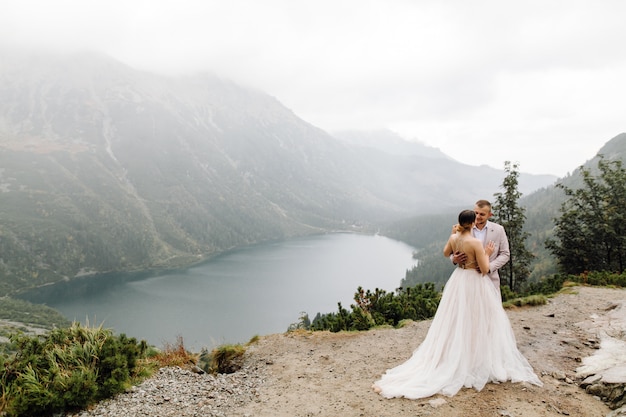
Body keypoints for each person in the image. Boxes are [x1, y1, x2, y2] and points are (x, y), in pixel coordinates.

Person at [372, 209, 542, 399]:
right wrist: (486, 253)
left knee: (455, 318)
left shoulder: (454, 238)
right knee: (476, 318)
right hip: (474, 282)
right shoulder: (476, 243)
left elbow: (446, 253)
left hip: (459, 279)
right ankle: (472, 359)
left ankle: (456, 355)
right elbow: (484, 269)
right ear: (471, 223)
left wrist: (455, 248)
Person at [452, 199, 510, 289]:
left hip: (490, 280)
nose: (477, 217)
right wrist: (454, 259)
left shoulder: (499, 230)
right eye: (476, 213)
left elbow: (505, 254)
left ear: (490, 215)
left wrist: (489, 267)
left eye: (482, 214)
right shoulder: (461, 229)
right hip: (467, 282)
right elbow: (453, 251)